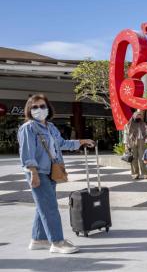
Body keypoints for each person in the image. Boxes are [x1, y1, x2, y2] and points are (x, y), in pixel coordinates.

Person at [18, 94, 95, 254]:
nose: (39, 110)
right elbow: (27, 153)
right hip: (38, 171)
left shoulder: (51, 127)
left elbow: (61, 143)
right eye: (35, 107)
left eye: (42, 106)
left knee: (44, 206)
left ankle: (39, 239)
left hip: (51, 170)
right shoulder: (29, 128)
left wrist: (81, 142)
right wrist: (33, 173)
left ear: (48, 108)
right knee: (50, 207)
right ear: (29, 110)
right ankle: (57, 242)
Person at [124, 112, 147, 180]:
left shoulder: (143, 124)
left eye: (140, 116)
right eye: (138, 116)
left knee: (142, 158)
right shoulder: (128, 125)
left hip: (142, 141)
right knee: (133, 159)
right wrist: (126, 144)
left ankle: (145, 173)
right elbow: (126, 135)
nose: (139, 117)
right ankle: (135, 174)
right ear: (134, 116)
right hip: (131, 142)